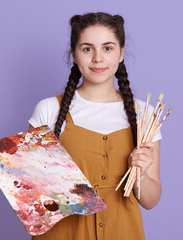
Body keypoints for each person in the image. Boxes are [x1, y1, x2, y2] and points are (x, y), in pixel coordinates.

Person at [28, 12, 162, 240]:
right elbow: (35, 199)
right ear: (74, 55)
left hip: (123, 232)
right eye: (87, 48)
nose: (98, 58)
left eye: (108, 48)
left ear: (121, 53)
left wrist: (140, 173)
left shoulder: (144, 114)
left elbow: (150, 201)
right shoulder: (48, 109)